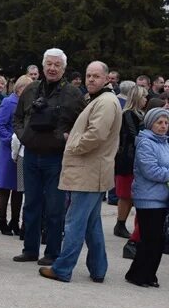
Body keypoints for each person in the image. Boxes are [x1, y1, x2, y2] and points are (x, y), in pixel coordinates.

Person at [38, 61, 121, 283]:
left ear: (107, 79)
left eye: (96, 76)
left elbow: (95, 135)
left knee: (74, 222)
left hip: (89, 172)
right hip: (92, 172)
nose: (91, 79)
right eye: (88, 75)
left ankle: (63, 268)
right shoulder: (100, 100)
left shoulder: (105, 102)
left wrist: (72, 145)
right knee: (91, 224)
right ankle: (98, 269)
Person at [12, 48, 86, 266]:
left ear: (63, 69)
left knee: (55, 208)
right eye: (49, 64)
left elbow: (82, 124)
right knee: (31, 205)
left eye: (57, 65)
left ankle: (53, 252)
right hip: (31, 155)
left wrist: (67, 138)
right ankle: (30, 249)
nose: (52, 68)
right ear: (43, 66)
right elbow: (17, 118)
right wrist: (23, 136)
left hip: (56, 158)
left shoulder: (73, 94)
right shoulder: (31, 89)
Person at [124, 108, 169, 287]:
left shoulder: (165, 143)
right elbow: (150, 171)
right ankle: (138, 274)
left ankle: (149, 274)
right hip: (148, 198)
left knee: (158, 240)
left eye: (166, 123)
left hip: (162, 197)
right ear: (151, 124)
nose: (163, 126)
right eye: (159, 122)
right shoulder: (145, 142)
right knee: (150, 238)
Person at [0, 75, 33, 236]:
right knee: (6, 187)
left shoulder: (28, 104)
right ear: (19, 89)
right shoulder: (9, 103)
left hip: (23, 149)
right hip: (9, 149)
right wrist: (12, 139)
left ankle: (15, 221)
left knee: (19, 188)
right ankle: (1, 221)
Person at [114, 83, 148, 241]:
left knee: (130, 194)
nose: (146, 99)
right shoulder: (128, 114)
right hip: (127, 159)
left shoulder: (139, 113)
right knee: (126, 194)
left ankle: (122, 224)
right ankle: (120, 224)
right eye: (144, 96)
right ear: (137, 98)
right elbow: (133, 136)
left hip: (133, 157)